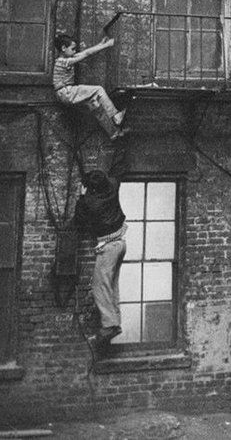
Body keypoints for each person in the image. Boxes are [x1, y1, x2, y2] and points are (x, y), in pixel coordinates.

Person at [72, 137, 129, 346]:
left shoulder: (90, 203)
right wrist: (122, 143)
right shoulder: (112, 186)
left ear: (91, 189)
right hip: (121, 242)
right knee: (111, 286)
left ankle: (110, 325)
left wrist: (80, 197)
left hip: (108, 247)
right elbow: (117, 168)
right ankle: (114, 322)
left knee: (99, 285)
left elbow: (79, 223)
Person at [54, 33, 126, 139]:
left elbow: (88, 52)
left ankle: (113, 132)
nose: (75, 51)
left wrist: (100, 44)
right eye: (73, 49)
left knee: (95, 104)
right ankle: (115, 116)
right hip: (66, 92)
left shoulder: (66, 59)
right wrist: (107, 45)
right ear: (64, 48)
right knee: (98, 90)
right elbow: (86, 54)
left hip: (64, 94)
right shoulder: (65, 61)